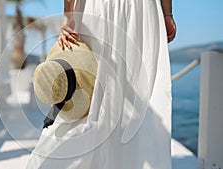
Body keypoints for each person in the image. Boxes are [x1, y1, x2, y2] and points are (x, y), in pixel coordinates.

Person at [26, 0, 176, 168]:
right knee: (144, 94)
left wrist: (68, 16)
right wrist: (167, 13)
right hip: (143, 9)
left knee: (90, 90)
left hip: (100, 7)